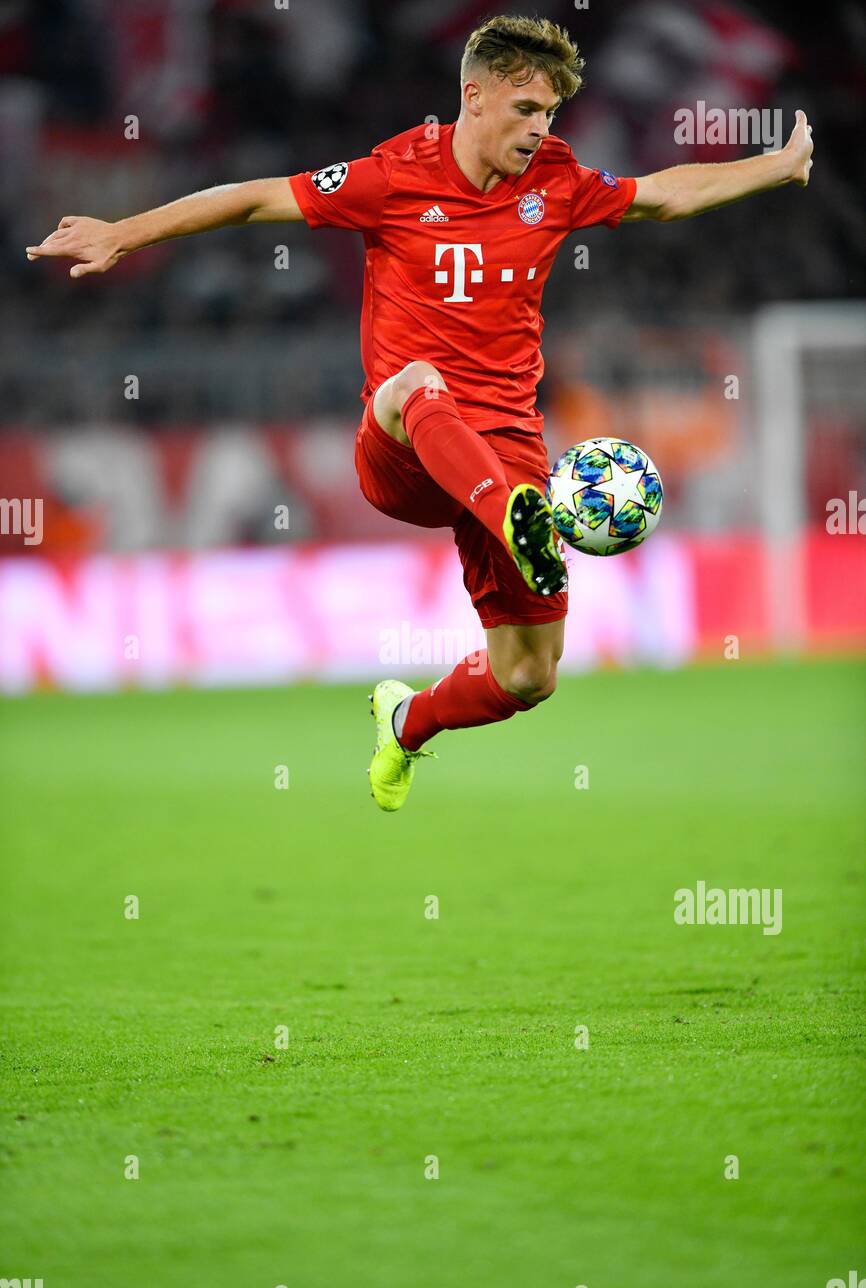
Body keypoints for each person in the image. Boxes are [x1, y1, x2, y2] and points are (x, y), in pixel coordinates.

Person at [26, 15, 813, 812]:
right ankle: (514, 519)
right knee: (416, 378)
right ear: (474, 96)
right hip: (403, 446)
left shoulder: (557, 183)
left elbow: (664, 197)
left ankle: (404, 722)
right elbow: (254, 199)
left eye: (549, 115)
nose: (539, 130)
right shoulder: (394, 175)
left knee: (528, 674)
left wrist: (777, 164)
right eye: (526, 109)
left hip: (504, 452)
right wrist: (124, 233)